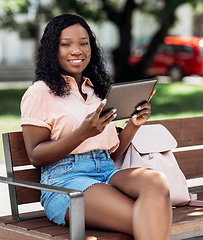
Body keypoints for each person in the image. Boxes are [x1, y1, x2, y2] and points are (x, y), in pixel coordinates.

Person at [20, 13, 172, 240]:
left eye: (84, 43)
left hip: (106, 171)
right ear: (53, 50)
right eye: (66, 44)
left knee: (156, 181)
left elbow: (112, 152)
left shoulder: (96, 91)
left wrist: (134, 124)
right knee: (149, 219)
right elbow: (36, 156)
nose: (77, 50)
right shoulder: (39, 93)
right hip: (65, 183)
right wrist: (83, 133)